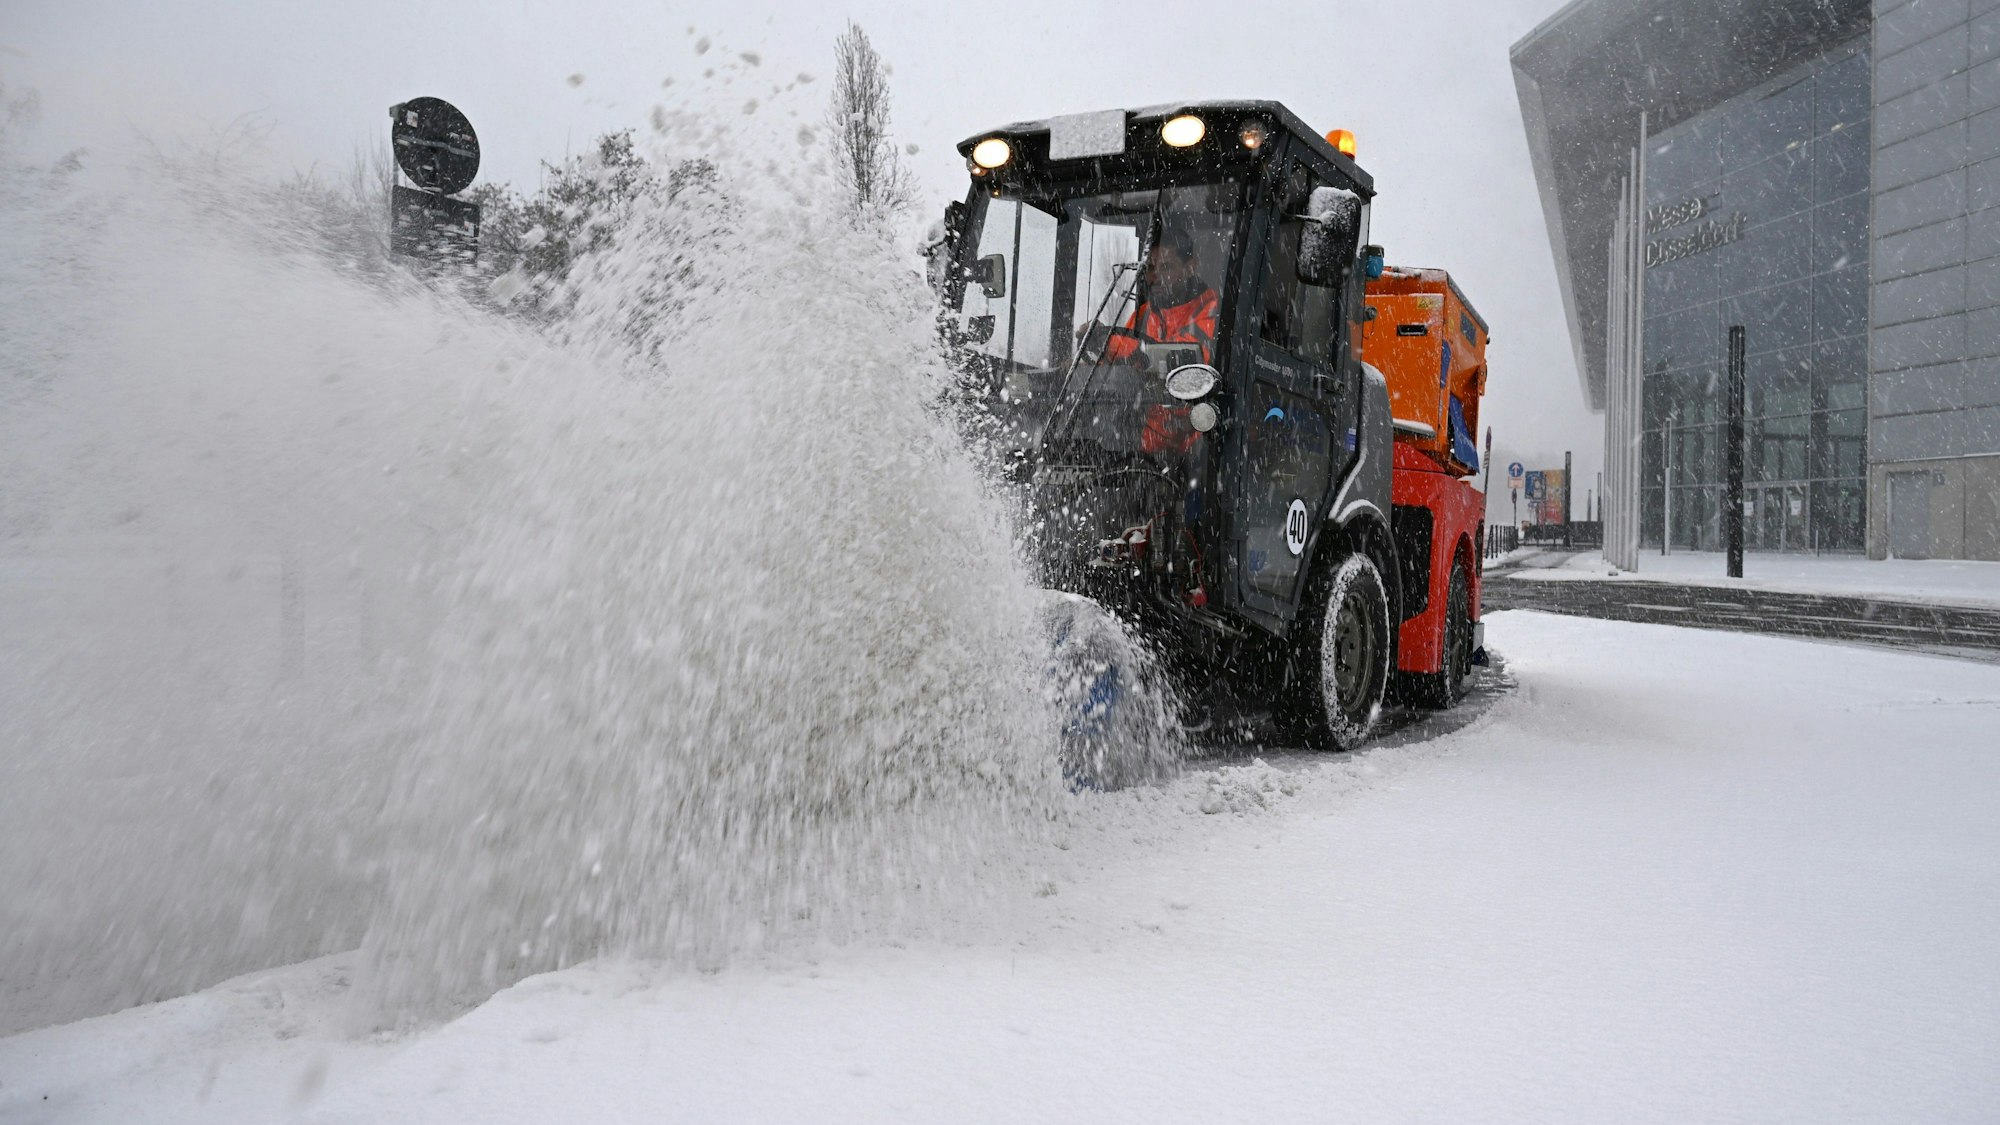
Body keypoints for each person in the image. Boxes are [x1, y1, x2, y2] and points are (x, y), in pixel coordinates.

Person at [1100, 221, 1219, 370]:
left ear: (1190, 268)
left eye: (1166, 267)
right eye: (1150, 268)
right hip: (1148, 393)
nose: (1155, 277)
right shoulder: (1144, 314)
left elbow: (1189, 357)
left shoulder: (1213, 309)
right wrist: (1101, 344)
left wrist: (1138, 357)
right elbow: (1121, 347)